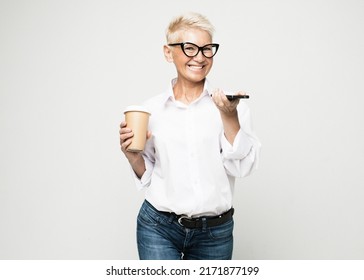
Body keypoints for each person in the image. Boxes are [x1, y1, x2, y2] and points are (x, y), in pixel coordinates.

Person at [119, 12, 261, 260]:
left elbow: (242, 167)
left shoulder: (231, 107)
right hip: (158, 227)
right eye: (190, 48)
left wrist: (229, 117)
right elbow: (150, 175)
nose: (200, 57)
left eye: (207, 49)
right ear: (168, 52)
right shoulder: (150, 111)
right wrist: (133, 157)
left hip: (215, 233)